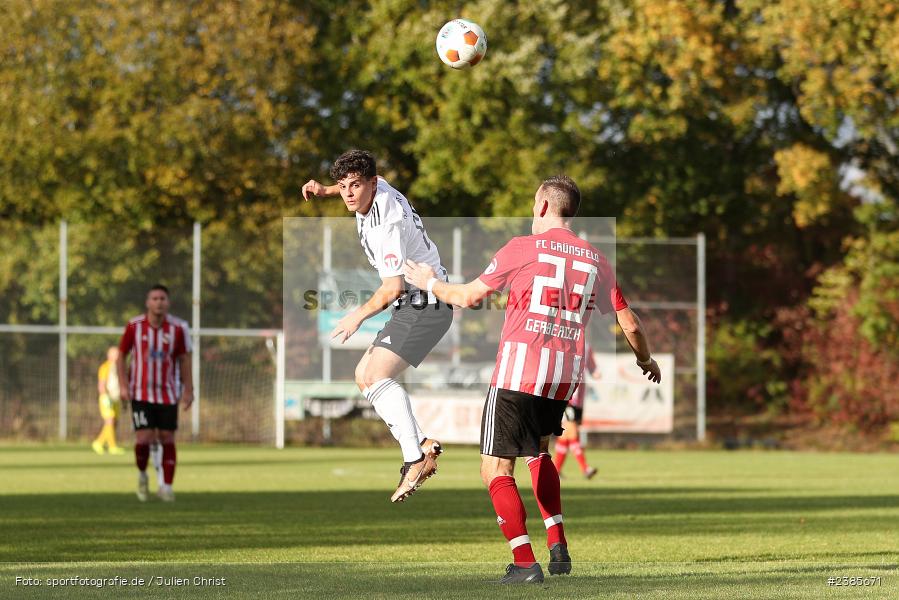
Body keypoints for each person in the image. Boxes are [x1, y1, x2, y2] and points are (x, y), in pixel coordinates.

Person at [404, 175, 661, 584]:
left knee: (495, 468)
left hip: (519, 371)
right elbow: (629, 323)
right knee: (539, 453)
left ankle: (524, 563)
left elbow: (468, 297)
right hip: (563, 376)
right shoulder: (596, 258)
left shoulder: (522, 248)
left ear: (542, 205)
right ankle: (557, 542)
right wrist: (645, 359)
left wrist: (428, 282)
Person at [301, 149, 453, 503]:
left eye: (355, 185)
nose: (348, 193)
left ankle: (414, 459)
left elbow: (392, 287)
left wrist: (356, 316)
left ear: (371, 183)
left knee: (376, 376)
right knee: (363, 375)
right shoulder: (376, 186)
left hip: (426, 302)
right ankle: (423, 445)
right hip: (416, 303)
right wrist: (325, 190)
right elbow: (355, 183)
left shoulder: (387, 224)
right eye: (343, 186)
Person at [116, 285, 193, 502]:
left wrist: (188, 389)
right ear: (147, 302)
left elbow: (184, 359)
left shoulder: (177, 329)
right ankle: (142, 474)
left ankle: (166, 487)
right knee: (144, 439)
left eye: (162, 298)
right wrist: (123, 385)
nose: (159, 302)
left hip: (167, 393)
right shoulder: (134, 326)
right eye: (155, 298)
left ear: (168, 302)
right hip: (140, 393)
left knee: (167, 437)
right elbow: (121, 355)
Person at [554, 343, 599, 479]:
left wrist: (596, 373)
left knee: (565, 436)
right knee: (572, 432)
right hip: (568, 398)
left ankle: (556, 471)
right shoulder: (564, 341)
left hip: (579, 400)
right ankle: (585, 469)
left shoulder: (587, 346)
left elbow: (592, 368)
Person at [91, 347, 125, 455]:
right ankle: (112, 446)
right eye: (116, 354)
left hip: (115, 398)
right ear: (110, 356)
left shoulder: (118, 367)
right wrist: (105, 397)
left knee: (114, 422)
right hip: (107, 398)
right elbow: (101, 384)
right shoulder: (105, 367)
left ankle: (99, 442)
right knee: (109, 420)